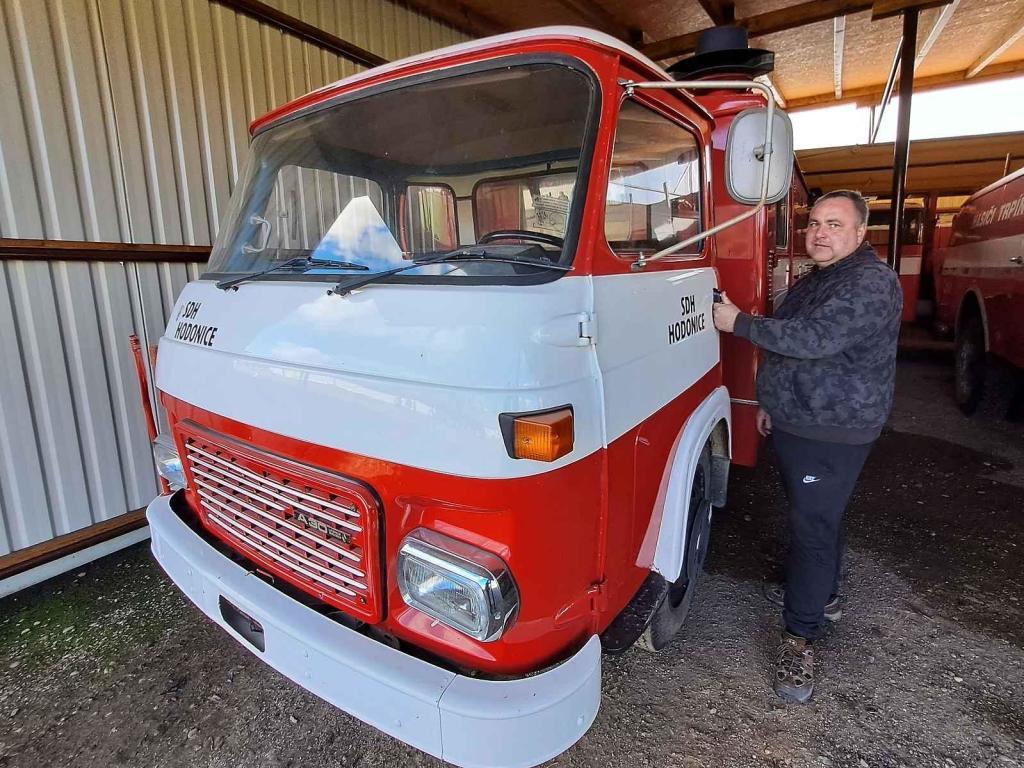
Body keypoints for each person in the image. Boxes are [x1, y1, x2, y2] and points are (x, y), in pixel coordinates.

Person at [712, 189, 902, 703]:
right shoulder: (824, 277)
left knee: (813, 530)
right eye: (815, 222)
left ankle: (800, 639)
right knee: (818, 516)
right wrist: (773, 401)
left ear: (861, 234)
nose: (820, 233)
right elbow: (795, 342)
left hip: (832, 428)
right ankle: (827, 596)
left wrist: (738, 324)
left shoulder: (869, 283)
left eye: (835, 225)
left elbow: (814, 340)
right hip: (803, 419)